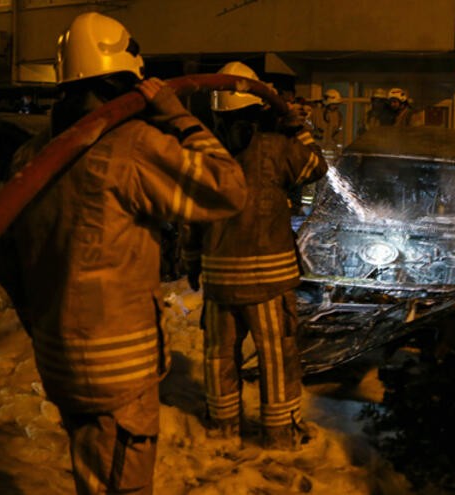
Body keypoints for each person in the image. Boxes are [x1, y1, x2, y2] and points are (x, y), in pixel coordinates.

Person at [0, 12, 247, 495]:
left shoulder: (33, 155)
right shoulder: (131, 147)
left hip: (61, 362)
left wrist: (46, 325)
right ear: (127, 83)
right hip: (118, 375)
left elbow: (11, 262)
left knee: (95, 474)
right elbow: (227, 188)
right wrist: (176, 115)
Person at [182, 61, 327, 450]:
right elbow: (318, 166)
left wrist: (192, 263)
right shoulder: (278, 148)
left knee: (218, 355)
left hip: (219, 281)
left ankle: (222, 428)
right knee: (277, 356)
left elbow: (191, 219)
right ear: (258, 109)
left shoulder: (204, 154)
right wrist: (297, 128)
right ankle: (280, 435)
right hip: (269, 283)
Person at [311, 88, 343, 157]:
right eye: (334, 104)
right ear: (327, 103)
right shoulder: (315, 113)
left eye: (337, 104)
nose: (336, 106)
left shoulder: (338, 116)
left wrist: (339, 152)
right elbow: (307, 130)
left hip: (331, 154)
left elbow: (339, 136)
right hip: (315, 153)